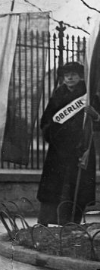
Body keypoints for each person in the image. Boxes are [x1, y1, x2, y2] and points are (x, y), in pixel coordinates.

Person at [37, 61, 97, 225]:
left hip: (80, 149)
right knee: (52, 187)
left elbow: (97, 123)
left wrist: (95, 115)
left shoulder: (90, 96)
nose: (69, 77)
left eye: (73, 74)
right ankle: (46, 222)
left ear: (81, 77)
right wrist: (51, 134)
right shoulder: (57, 94)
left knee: (74, 188)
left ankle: (70, 224)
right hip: (57, 150)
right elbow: (46, 120)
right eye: (66, 75)